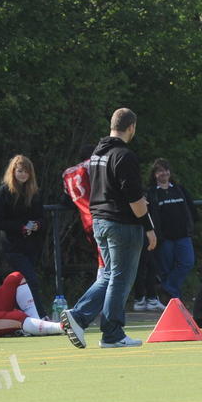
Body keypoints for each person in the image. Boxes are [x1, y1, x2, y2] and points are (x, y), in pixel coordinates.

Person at [60, 108, 157, 349]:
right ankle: (109, 331)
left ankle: (80, 317)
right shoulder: (124, 155)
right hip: (121, 224)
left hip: (99, 221)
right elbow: (134, 199)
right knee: (120, 278)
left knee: (110, 275)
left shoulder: (97, 154)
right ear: (131, 127)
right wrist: (149, 227)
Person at [0, 154, 47, 318]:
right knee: (30, 280)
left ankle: (18, 317)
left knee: (21, 284)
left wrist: (36, 225)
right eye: (20, 171)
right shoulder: (2, 192)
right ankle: (40, 316)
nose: (23, 174)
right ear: (13, 172)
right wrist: (21, 227)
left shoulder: (34, 192)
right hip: (12, 246)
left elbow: (43, 218)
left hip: (32, 245)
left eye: (26, 172)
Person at [146, 158, 198, 302]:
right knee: (165, 269)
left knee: (187, 262)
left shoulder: (179, 189)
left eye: (166, 170)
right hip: (164, 239)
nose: (164, 173)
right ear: (154, 174)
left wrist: (191, 226)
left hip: (183, 235)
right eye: (160, 171)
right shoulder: (151, 193)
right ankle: (173, 300)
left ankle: (167, 288)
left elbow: (191, 210)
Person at [61, 144, 105, 280]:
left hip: (86, 220)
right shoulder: (92, 165)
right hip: (101, 217)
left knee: (103, 261)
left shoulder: (68, 173)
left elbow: (66, 199)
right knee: (107, 265)